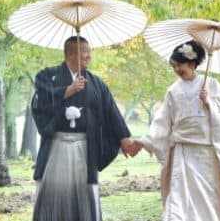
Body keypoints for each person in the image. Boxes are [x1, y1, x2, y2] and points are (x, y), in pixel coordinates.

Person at [30, 35, 141, 221]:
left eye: (90, 52)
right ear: (70, 54)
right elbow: (40, 101)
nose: (89, 56)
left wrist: (125, 140)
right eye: (85, 52)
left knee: (85, 196)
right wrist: (68, 91)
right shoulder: (47, 76)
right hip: (57, 147)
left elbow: (111, 111)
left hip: (85, 149)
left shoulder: (96, 83)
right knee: (56, 193)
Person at [136, 40, 220, 220]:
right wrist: (146, 140)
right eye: (174, 66)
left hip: (206, 155)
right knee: (178, 201)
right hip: (182, 153)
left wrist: (209, 102)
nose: (177, 69)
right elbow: (162, 121)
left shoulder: (212, 85)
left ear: (192, 63)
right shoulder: (173, 91)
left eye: (180, 65)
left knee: (207, 200)